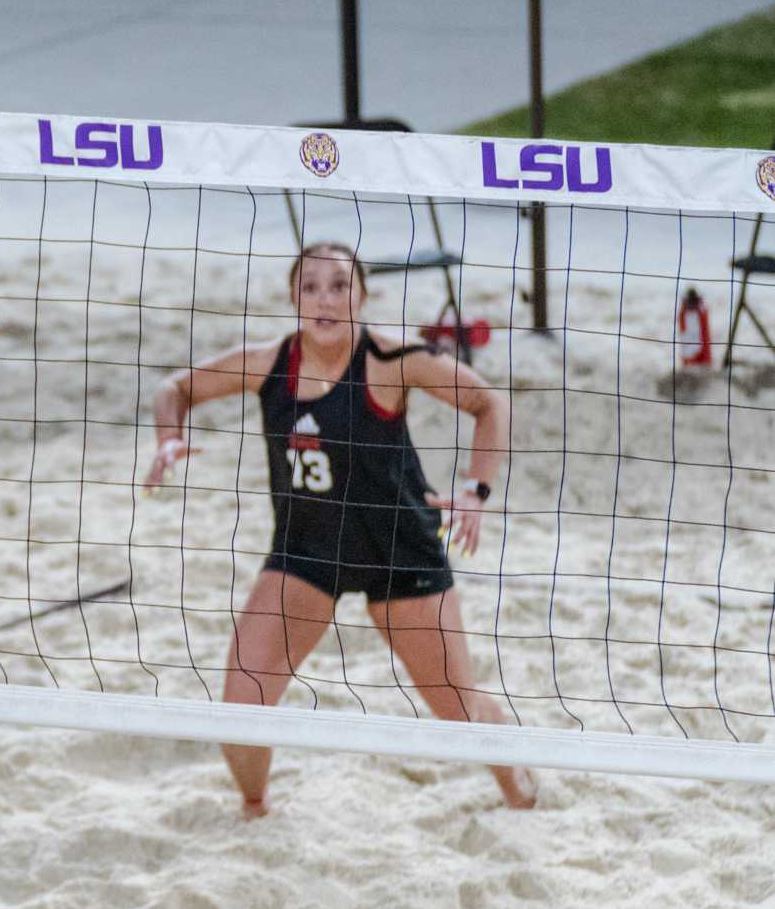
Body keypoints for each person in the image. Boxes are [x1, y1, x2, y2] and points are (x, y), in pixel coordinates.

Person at [145, 240, 538, 818]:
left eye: (338, 285)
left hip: (399, 550)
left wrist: (476, 491)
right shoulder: (270, 361)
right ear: (293, 298)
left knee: (455, 705)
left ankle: (520, 792)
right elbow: (173, 389)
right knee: (241, 704)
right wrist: (168, 439)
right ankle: (255, 807)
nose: (324, 299)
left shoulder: (391, 360)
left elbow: (489, 404)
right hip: (306, 552)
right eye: (310, 287)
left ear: (361, 294)